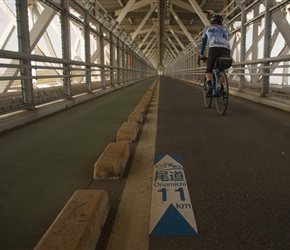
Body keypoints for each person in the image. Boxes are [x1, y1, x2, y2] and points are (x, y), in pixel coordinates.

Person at [200, 14, 231, 96]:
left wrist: (201, 54)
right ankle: (222, 87)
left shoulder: (207, 28)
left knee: (209, 69)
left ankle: (209, 85)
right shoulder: (226, 29)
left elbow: (203, 43)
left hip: (214, 49)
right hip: (226, 50)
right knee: (221, 69)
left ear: (211, 21)